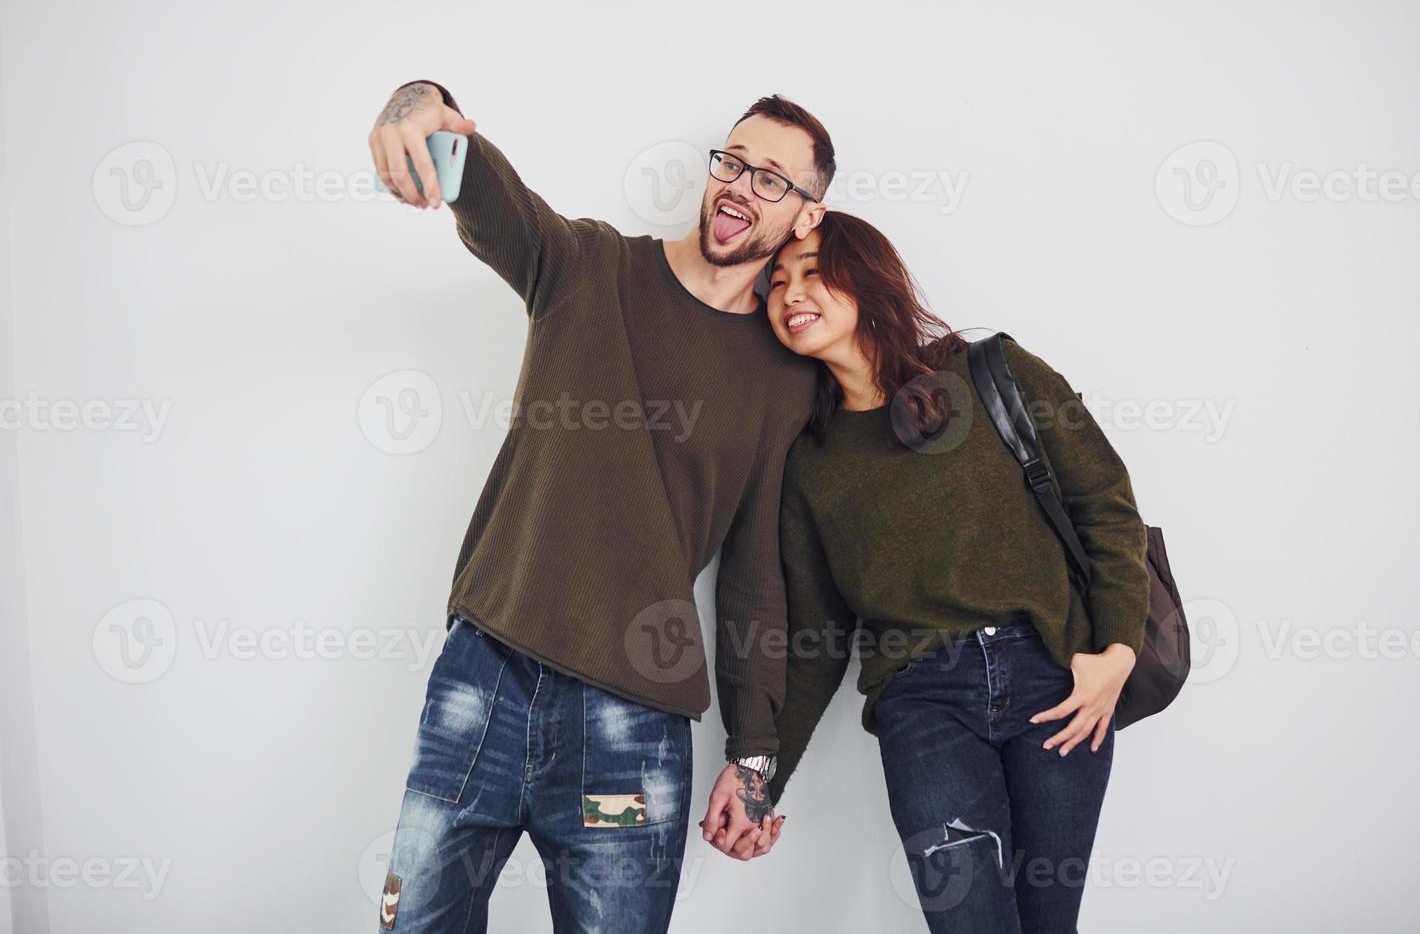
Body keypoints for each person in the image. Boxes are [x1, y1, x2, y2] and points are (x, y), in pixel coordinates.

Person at [366, 79, 833, 932]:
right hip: (486, 681)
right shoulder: (589, 266)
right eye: (733, 161)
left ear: (808, 215)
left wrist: (754, 755)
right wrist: (426, 108)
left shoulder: (785, 378)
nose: (740, 185)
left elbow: (755, 574)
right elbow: (493, 202)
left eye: (773, 178)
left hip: (634, 728)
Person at [727, 211, 1150, 932]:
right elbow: (817, 643)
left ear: (867, 280)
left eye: (814, 271)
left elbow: (1106, 506)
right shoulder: (811, 461)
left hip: (1054, 682)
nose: (791, 292)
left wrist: (1117, 651)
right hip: (923, 706)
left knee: (1051, 922)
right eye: (777, 282)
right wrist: (760, 783)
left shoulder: (994, 372)